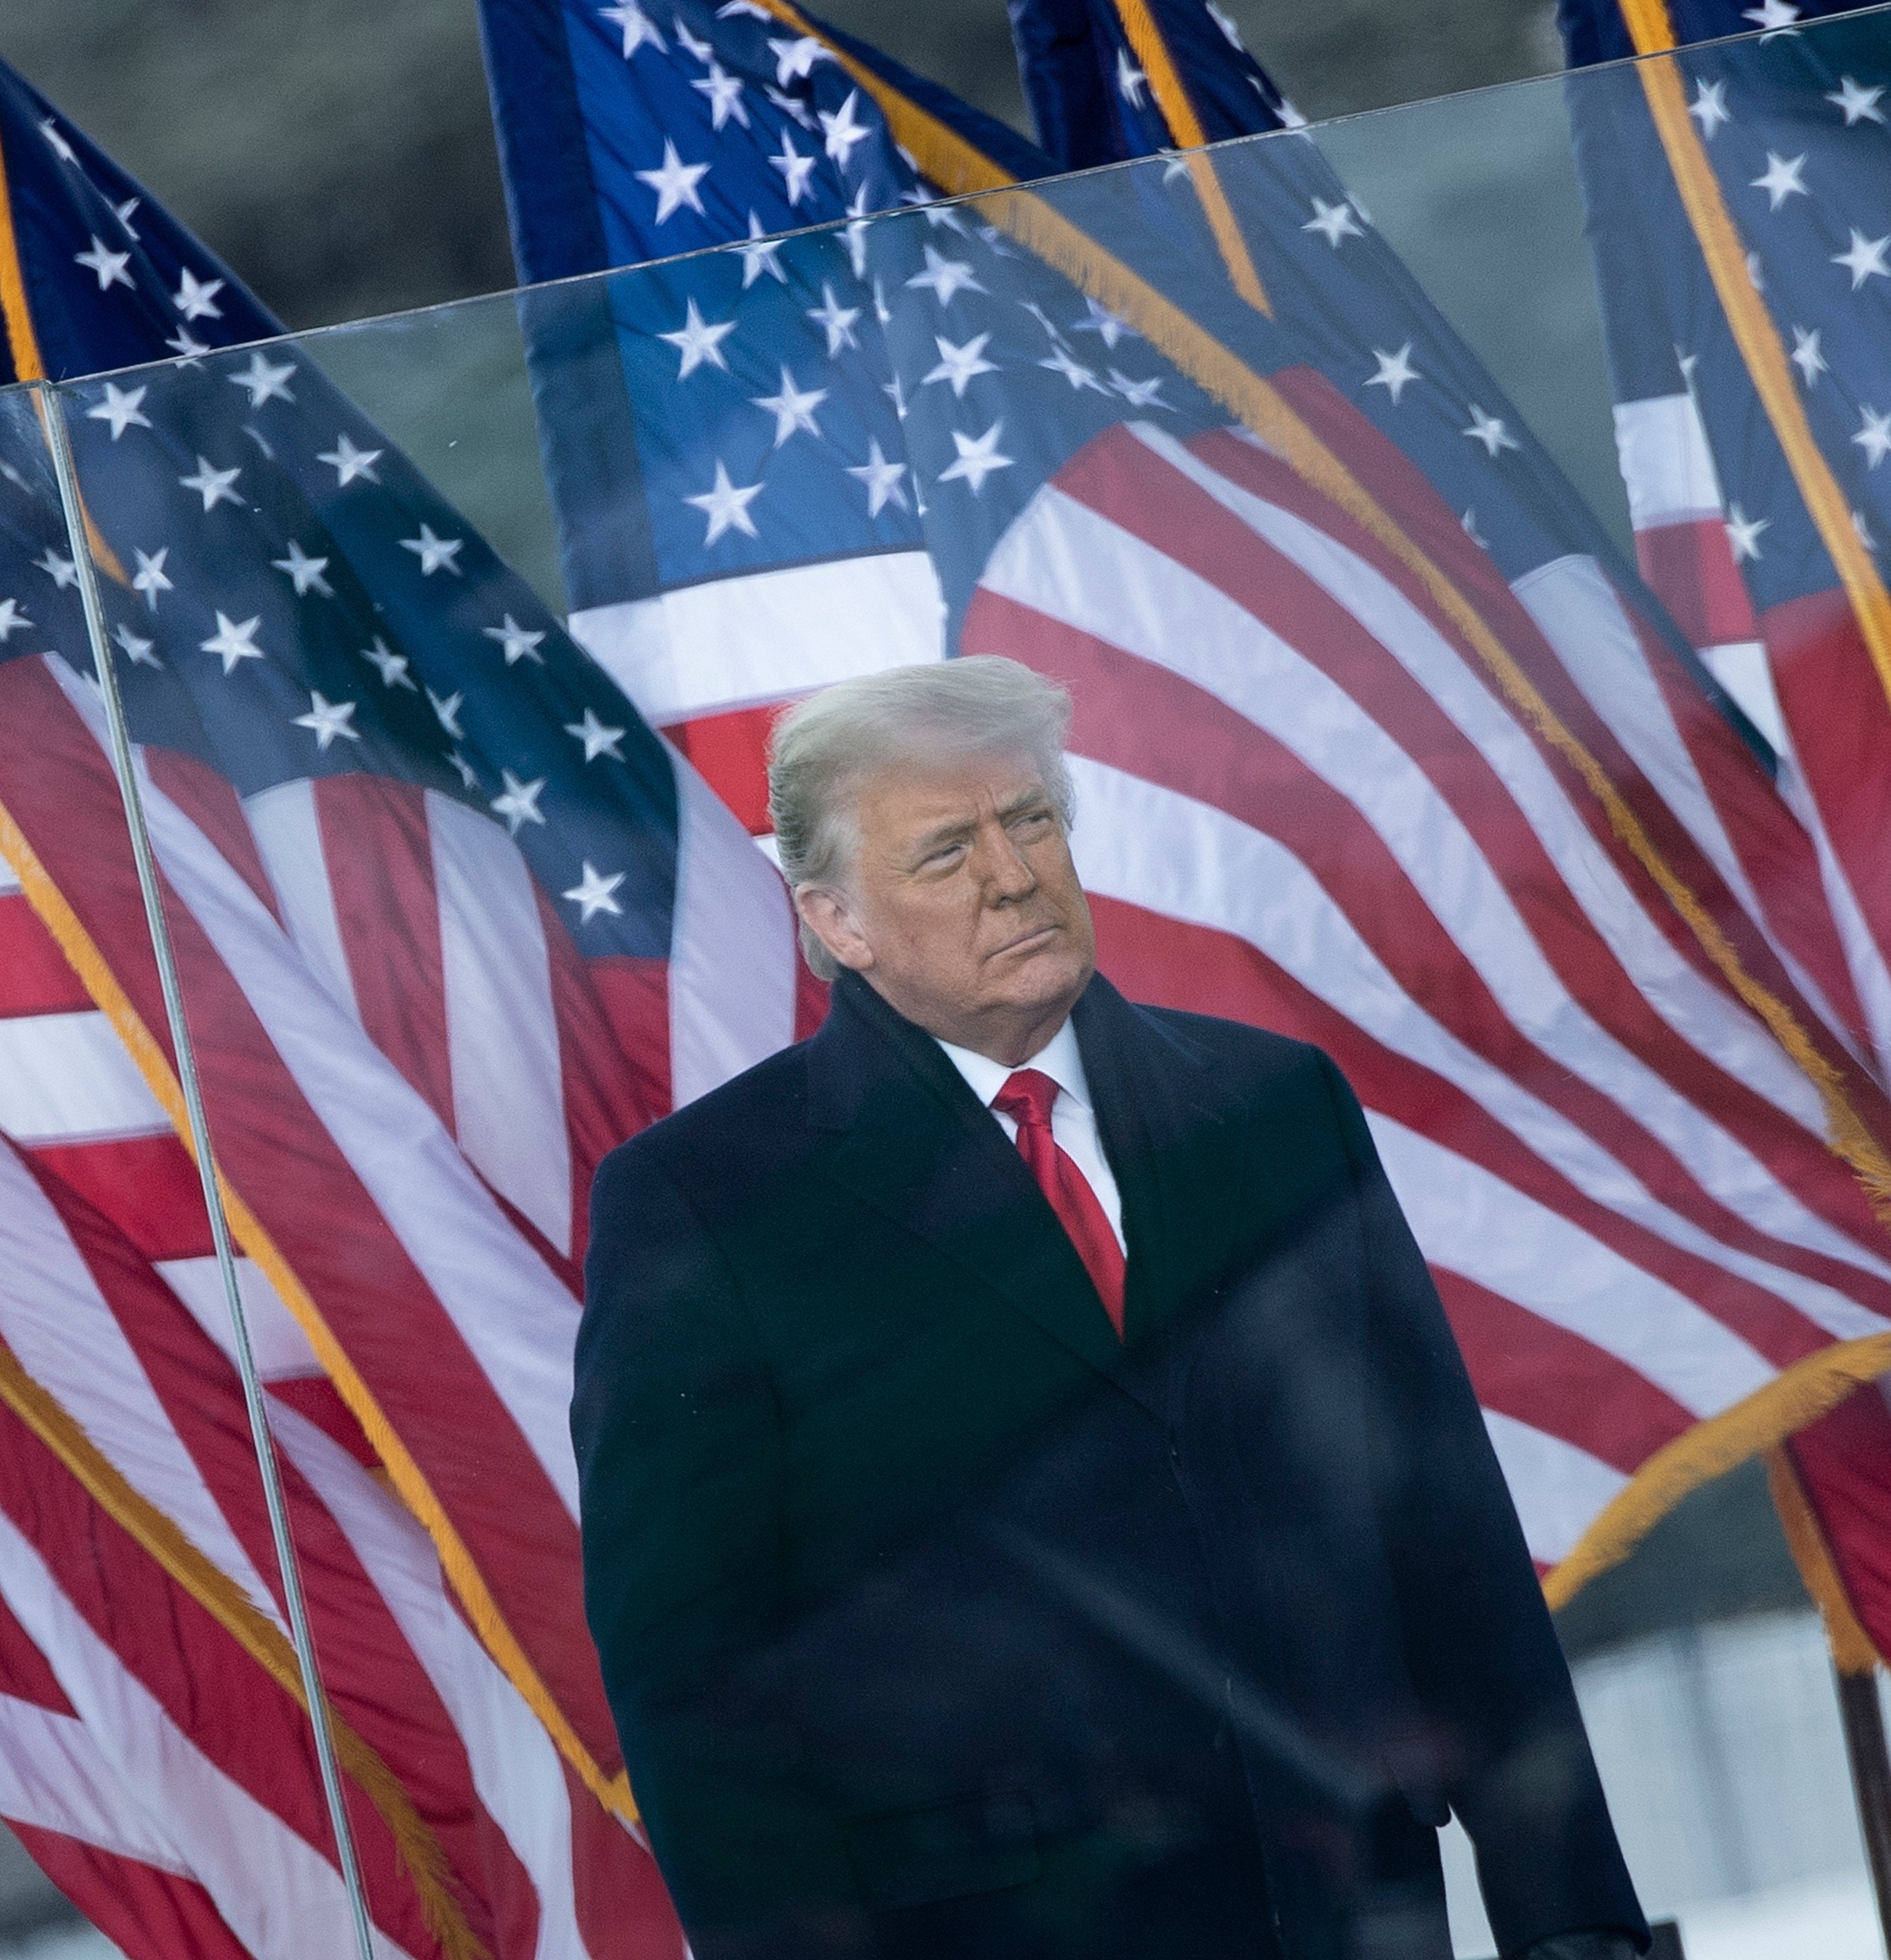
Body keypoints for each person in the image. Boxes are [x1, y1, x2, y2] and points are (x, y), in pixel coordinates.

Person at [573, 657, 1646, 1960]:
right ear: (838, 920)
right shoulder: (702, 1203)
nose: (1012, 875)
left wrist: (1576, 1925)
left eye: (1030, 820)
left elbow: (1452, 1546)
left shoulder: (1276, 1107)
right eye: (945, 850)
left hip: (1352, 1913)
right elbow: (695, 1691)